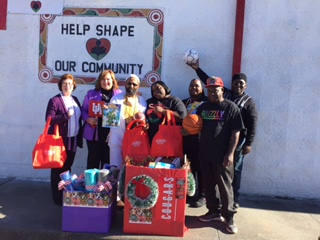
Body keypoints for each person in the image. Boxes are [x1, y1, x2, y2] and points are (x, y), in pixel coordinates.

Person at [187, 61, 258, 209]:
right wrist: (197, 69)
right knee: (214, 176)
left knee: (233, 172)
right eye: (235, 83)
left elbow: (252, 123)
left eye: (241, 83)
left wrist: (248, 143)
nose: (238, 86)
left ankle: (233, 201)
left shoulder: (248, 102)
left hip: (237, 141)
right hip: (217, 143)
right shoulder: (223, 94)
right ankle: (214, 206)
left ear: (245, 85)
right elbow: (209, 81)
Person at [195, 76, 244, 234]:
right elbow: (195, 125)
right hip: (205, 154)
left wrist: (230, 154)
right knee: (208, 186)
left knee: (225, 187)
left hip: (222, 155)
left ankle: (229, 217)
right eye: (209, 90)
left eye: (215, 90)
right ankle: (213, 212)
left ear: (221, 90)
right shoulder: (203, 107)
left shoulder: (231, 108)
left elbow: (236, 133)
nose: (212, 93)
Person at [45, 73, 83, 206]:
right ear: (60, 85)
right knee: (57, 169)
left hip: (73, 140)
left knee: (68, 168)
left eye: (70, 84)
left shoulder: (75, 100)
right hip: (60, 142)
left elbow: (80, 117)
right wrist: (65, 115)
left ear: (73, 86)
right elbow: (49, 120)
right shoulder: (55, 101)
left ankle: (66, 193)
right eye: (65, 84)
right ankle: (57, 198)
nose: (67, 86)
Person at [81, 70, 122, 169]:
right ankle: (91, 184)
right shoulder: (91, 94)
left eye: (108, 79)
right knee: (93, 161)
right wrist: (88, 119)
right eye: (103, 79)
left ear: (113, 80)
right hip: (94, 133)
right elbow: (83, 110)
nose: (105, 82)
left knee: (107, 162)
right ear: (99, 81)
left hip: (111, 134)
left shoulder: (119, 94)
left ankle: (105, 184)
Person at [108, 74, 147, 169]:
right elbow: (110, 121)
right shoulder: (115, 99)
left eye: (134, 84)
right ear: (125, 84)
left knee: (132, 169)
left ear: (138, 86)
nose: (131, 86)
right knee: (116, 169)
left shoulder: (142, 102)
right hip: (118, 139)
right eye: (129, 83)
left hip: (135, 141)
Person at [182, 79, 208, 208]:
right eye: (191, 85)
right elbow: (180, 119)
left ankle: (203, 195)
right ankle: (190, 194)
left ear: (202, 88)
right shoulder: (185, 102)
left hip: (201, 141)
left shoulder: (207, 103)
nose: (194, 88)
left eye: (197, 86)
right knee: (188, 169)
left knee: (201, 169)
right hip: (186, 141)